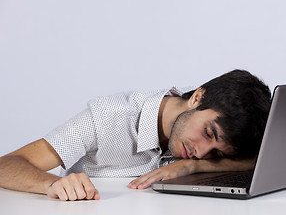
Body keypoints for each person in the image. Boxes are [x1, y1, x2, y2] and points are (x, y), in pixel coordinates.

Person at [0, 69, 271, 201]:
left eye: (217, 154)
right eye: (208, 133)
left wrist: (193, 165)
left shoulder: (203, 131)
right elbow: (6, 165)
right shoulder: (107, 117)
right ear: (197, 97)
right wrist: (50, 185)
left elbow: (264, 156)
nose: (202, 151)